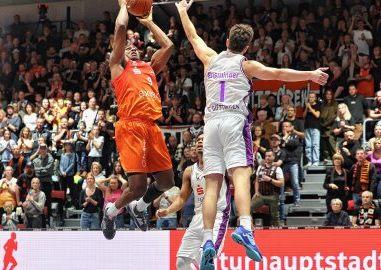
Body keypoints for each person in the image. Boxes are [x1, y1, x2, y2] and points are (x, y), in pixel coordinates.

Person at [175, 0, 328, 266]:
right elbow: (279, 73)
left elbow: (192, 35)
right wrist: (311, 75)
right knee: (242, 175)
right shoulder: (246, 65)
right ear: (247, 46)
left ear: (226, 41)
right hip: (234, 121)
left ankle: (208, 239)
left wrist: (181, 12)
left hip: (210, 124)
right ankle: (245, 227)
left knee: (212, 185)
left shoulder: (210, 59)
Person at [102, 1, 174, 240]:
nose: (133, 48)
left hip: (151, 126)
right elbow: (121, 27)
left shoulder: (150, 68)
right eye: (128, 47)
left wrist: (149, 21)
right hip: (130, 126)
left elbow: (169, 44)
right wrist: (125, 5)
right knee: (138, 187)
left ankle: (139, 208)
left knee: (166, 182)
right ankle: (111, 212)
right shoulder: (117, 66)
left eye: (137, 46)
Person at [156, 134, 230, 270]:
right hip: (197, 218)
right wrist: (168, 210)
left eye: (205, 139)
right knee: (181, 263)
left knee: (205, 257)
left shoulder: (222, 163)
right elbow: (182, 198)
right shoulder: (189, 171)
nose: (201, 142)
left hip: (217, 217)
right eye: (199, 140)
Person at [251, 150, 284, 226]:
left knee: (275, 216)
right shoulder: (260, 167)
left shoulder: (278, 169)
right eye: (266, 156)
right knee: (248, 208)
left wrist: (270, 180)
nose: (267, 158)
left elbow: (282, 183)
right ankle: (250, 227)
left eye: (269, 156)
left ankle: (277, 231)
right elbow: (256, 181)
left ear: (273, 157)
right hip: (261, 195)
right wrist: (256, 192)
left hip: (273, 195)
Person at [303, 92, 321, 167]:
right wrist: (307, 109)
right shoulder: (306, 106)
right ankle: (309, 161)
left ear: (315, 98)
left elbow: (317, 115)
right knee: (308, 145)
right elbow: (303, 116)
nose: (311, 99)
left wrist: (310, 108)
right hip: (307, 127)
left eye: (312, 97)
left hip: (315, 127)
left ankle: (316, 161)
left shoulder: (318, 105)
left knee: (315, 144)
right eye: (310, 97)